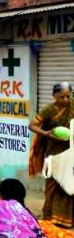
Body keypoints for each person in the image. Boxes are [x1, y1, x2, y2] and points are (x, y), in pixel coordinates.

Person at [30, 82, 74, 227]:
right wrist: (47, 133)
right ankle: (49, 217)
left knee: (69, 184)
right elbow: (32, 125)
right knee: (52, 186)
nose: (66, 100)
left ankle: (67, 219)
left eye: (69, 96)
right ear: (54, 95)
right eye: (62, 97)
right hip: (54, 153)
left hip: (71, 152)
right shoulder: (48, 110)